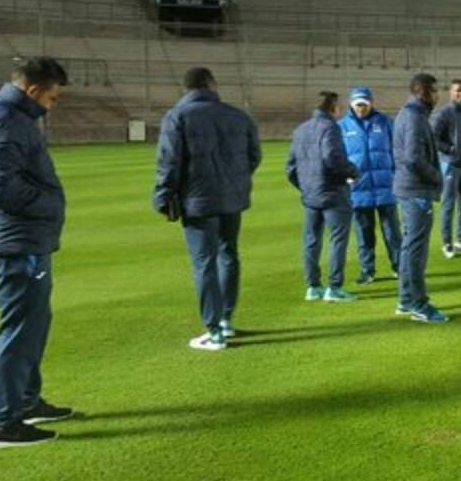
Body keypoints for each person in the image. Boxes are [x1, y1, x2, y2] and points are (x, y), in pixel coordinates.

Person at [0, 58, 74, 448]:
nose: (53, 105)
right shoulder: (6, 120)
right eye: (52, 97)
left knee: (32, 324)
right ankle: (4, 424)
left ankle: (26, 402)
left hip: (18, 238)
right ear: (33, 90)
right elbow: (1, 187)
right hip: (19, 241)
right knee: (22, 329)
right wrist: (50, 205)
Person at [153, 67, 261, 351]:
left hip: (198, 200)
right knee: (229, 255)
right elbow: (254, 155)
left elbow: (168, 162)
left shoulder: (177, 117)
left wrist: (163, 197)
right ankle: (225, 320)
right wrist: (235, 181)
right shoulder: (238, 116)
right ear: (212, 85)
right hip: (232, 198)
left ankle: (214, 332)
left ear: (187, 88)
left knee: (205, 262)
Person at [287, 91, 358, 302]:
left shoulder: (300, 130)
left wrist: (305, 187)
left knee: (311, 240)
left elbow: (290, 167)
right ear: (333, 107)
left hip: (311, 194)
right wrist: (353, 172)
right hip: (333, 192)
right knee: (338, 239)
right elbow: (332, 158)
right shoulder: (331, 128)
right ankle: (334, 288)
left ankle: (313, 286)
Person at [393, 73, 449, 323]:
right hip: (416, 191)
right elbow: (414, 158)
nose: (438, 95)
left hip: (409, 188)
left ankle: (406, 300)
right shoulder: (414, 118)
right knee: (416, 250)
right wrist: (437, 176)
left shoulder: (410, 114)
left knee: (409, 248)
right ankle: (418, 304)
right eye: (435, 91)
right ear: (424, 92)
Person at [339, 86, 401, 284]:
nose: (361, 108)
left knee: (392, 233)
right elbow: (338, 157)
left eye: (364, 105)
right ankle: (367, 271)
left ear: (371, 103)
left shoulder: (385, 122)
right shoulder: (342, 127)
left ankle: (400, 267)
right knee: (364, 235)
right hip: (358, 190)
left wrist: (396, 175)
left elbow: (397, 150)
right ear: (351, 104)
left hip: (386, 188)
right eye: (358, 105)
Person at [431, 79, 461, 258]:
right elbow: (434, 138)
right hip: (451, 165)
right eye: (458, 90)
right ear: (451, 92)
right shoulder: (444, 113)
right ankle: (447, 244)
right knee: (448, 205)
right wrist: (450, 150)